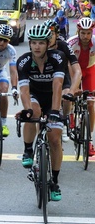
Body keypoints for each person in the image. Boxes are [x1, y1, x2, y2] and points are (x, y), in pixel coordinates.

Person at [17, 24, 67, 201]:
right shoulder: (23, 61)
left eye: (41, 43)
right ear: (29, 44)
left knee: (54, 139)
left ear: (47, 44)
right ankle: (28, 150)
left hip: (52, 97)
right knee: (34, 112)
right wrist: (27, 110)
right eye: (34, 43)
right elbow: (23, 90)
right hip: (34, 94)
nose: (37, 47)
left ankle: (54, 181)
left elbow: (58, 85)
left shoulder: (58, 58)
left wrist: (54, 111)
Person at [43, 19, 82, 143]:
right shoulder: (39, 44)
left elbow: (74, 68)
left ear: (57, 35)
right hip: (45, 77)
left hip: (63, 75)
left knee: (65, 96)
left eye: (52, 33)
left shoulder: (64, 46)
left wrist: (72, 89)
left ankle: (65, 121)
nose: (48, 37)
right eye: (46, 33)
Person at [67, 17, 95, 155]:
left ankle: (89, 140)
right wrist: (74, 86)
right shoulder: (71, 43)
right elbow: (67, 64)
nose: (85, 36)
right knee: (73, 93)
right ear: (78, 31)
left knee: (90, 103)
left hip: (90, 69)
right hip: (74, 68)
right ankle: (71, 114)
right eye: (83, 33)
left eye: (88, 33)